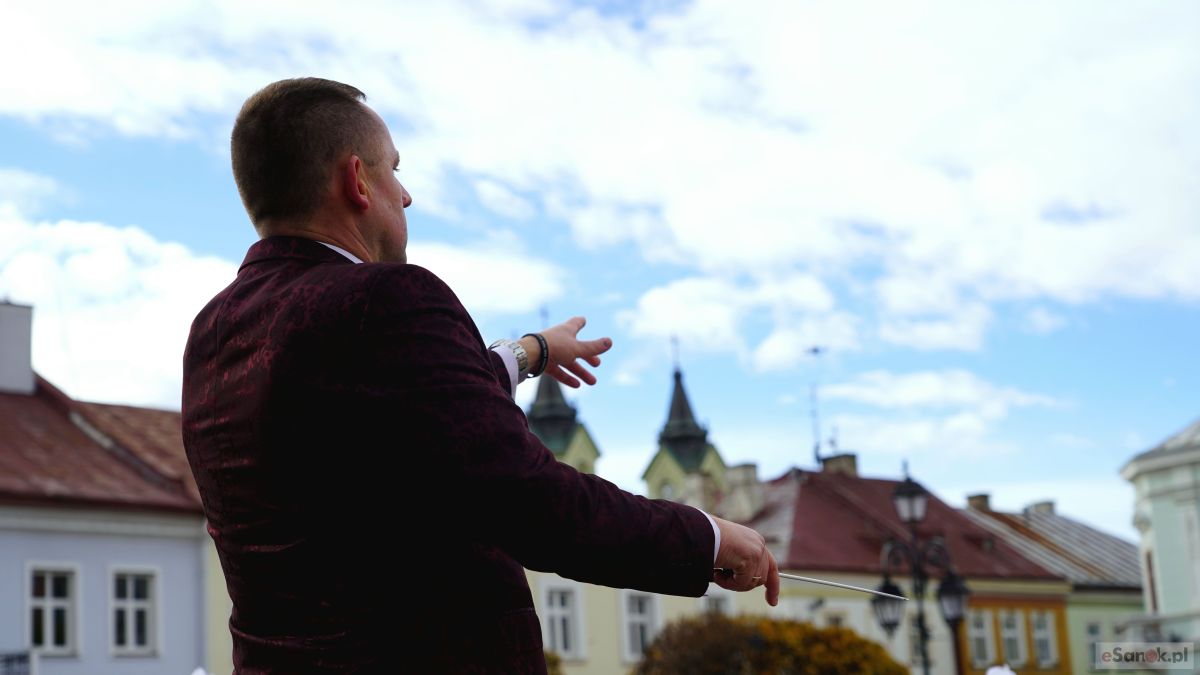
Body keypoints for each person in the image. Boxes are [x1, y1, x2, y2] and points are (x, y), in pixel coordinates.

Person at [182, 77, 779, 674]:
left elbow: (404, 417)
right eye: (394, 169)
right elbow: (528, 498)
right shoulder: (385, 298)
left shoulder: (214, 331)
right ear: (357, 180)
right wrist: (706, 539)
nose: (406, 196)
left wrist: (528, 353)